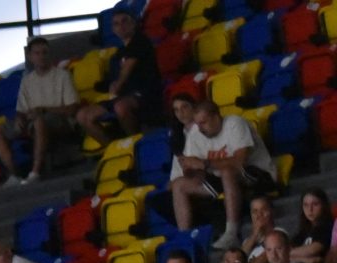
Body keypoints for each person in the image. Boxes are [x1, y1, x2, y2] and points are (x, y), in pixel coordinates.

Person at [169, 98, 267, 247]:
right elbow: (193, 169)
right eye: (197, 123)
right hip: (220, 178)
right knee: (179, 185)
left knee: (227, 171)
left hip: (255, 173)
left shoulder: (234, 123)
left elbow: (240, 161)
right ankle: (185, 239)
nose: (200, 128)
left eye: (204, 122)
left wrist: (204, 163)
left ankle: (232, 232)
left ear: (216, 117)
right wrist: (189, 169)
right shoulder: (195, 132)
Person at [0, 37, 77, 183]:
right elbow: (21, 109)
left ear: (49, 54)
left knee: (39, 121)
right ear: (30, 57)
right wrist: (19, 118)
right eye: (37, 53)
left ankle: (35, 172)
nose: (41, 56)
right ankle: (15, 174)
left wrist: (43, 110)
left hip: (59, 120)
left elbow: (72, 109)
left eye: (44, 52)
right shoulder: (27, 81)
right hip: (31, 119)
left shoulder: (63, 76)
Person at [77, 4, 160, 149]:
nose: (121, 26)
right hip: (122, 97)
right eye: (116, 24)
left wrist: (116, 85)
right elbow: (114, 80)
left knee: (120, 107)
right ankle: (113, 150)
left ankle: (135, 147)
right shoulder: (118, 53)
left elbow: (127, 68)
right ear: (113, 29)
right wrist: (108, 85)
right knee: (83, 115)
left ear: (133, 24)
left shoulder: (141, 41)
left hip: (145, 94)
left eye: (124, 21)